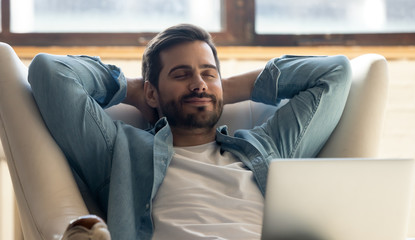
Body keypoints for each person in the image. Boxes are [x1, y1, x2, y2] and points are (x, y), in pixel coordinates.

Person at [28, 24, 352, 240]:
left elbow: (335, 72)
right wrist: (135, 92)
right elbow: (49, 71)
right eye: (181, 74)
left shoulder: (267, 147)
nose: (197, 83)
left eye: (207, 73)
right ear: (152, 93)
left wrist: (220, 87)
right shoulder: (122, 151)